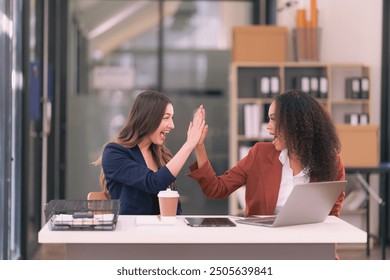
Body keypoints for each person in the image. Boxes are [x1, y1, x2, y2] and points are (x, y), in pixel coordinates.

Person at [188, 89, 345, 217]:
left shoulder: (331, 162)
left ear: (296, 123)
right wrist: (199, 146)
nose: (268, 127)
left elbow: (332, 217)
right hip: (265, 244)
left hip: (308, 245)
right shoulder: (260, 154)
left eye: (274, 119)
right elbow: (216, 189)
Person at [94, 90, 205, 215]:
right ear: (148, 118)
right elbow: (153, 182)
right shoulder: (114, 152)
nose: (172, 125)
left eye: (172, 118)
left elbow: (175, 207)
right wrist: (189, 144)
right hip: (130, 231)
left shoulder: (162, 154)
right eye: (166, 118)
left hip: (162, 231)